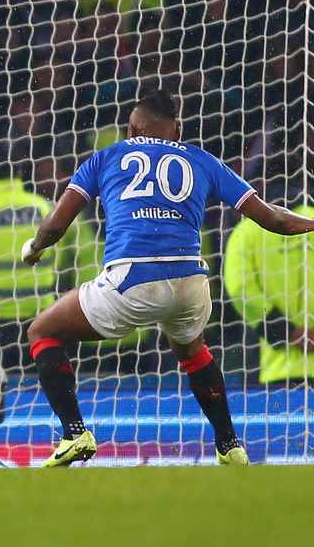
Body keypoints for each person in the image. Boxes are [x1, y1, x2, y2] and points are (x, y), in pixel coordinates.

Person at [21, 90, 314, 467]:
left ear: (130, 128)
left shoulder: (106, 157)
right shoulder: (203, 160)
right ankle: (230, 445)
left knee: (41, 332)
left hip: (132, 280)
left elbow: (57, 225)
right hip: (191, 282)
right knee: (191, 350)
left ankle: (74, 433)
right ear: (177, 133)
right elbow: (272, 218)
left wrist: (34, 247)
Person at [0, 144, 100, 372]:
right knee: (36, 386)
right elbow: (64, 255)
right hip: (37, 316)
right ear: (18, 172)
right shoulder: (42, 206)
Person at [222, 195, 314, 385]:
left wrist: (285, 332)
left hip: (273, 366)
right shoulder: (311, 220)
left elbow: (239, 287)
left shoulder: (247, 231)